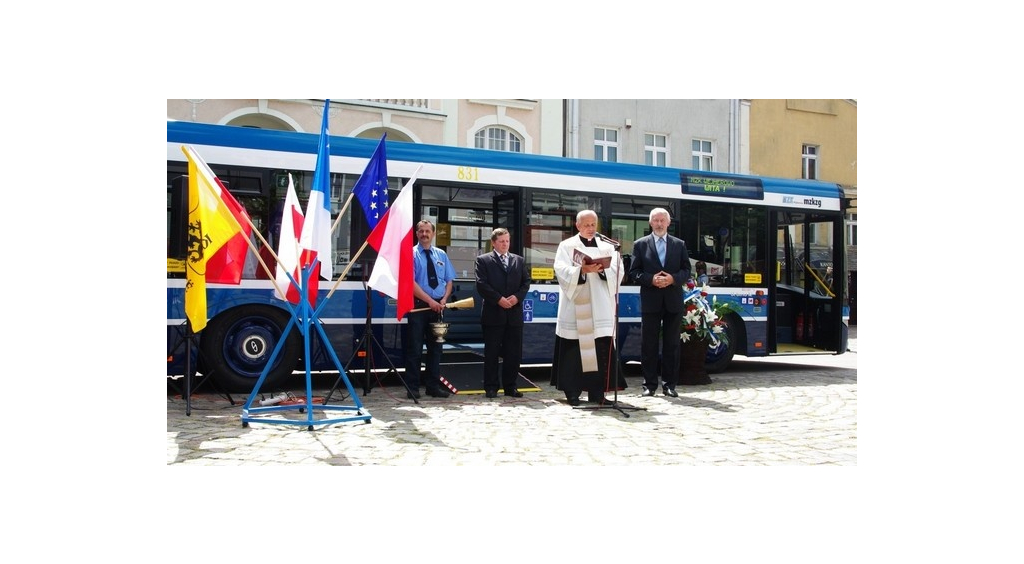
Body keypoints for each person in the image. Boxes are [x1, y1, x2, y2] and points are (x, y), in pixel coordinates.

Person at [549, 210, 624, 406]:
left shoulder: (608, 247)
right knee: (574, 351)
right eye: (586, 225)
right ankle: (572, 393)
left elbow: (618, 270)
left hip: (600, 306)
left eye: (593, 224)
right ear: (578, 226)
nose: (590, 228)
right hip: (576, 307)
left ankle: (597, 393)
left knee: (600, 350)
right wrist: (581, 270)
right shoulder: (566, 246)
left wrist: (600, 271)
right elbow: (561, 270)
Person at [628, 207, 690, 398]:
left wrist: (673, 279)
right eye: (656, 220)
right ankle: (649, 385)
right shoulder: (640, 244)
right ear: (650, 223)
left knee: (672, 345)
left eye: (662, 220)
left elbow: (687, 271)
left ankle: (670, 385)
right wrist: (650, 279)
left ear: (669, 222)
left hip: (673, 301)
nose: (659, 223)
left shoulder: (679, 245)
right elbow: (633, 272)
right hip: (651, 301)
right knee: (649, 345)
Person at [475, 228, 531, 398]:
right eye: (501, 241)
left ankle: (511, 386)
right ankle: (491, 387)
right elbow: (481, 284)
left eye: (507, 241)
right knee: (492, 353)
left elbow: (526, 282)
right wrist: (499, 299)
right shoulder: (483, 260)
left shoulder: (518, 261)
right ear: (493, 243)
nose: (505, 244)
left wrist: (517, 297)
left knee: (513, 353)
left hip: (514, 315)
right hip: (493, 314)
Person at [405, 219, 457, 399]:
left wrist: (443, 299)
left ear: (433, 234)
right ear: (417, 234)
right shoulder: (410, 254)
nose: (425, 234)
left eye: (428, 231)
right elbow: (410, 284)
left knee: (436, 349)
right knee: (415, 349)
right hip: (418, 307)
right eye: (421, 231)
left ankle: (433, 387)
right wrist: (429, 301)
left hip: (438, 308)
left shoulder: (441, 254)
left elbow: (449, 281)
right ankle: (412, 388)